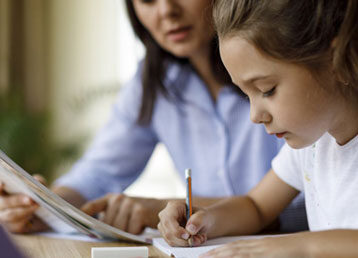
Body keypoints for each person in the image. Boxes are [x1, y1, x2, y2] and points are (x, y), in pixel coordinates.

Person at [0, 0, 306, 235]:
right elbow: (97, 173)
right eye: (147, 0)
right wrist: (41, 206)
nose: (166, 11)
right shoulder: (153, 82)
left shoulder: (286, 69)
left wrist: (172, 209)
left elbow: (297, 205)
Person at [157, 0, 358, 257]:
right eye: (246, 95)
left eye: (266, 90)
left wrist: (302, 246)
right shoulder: (315, 144)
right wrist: (204, 220)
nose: (254, 116)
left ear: (336, 59)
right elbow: (256, 206)